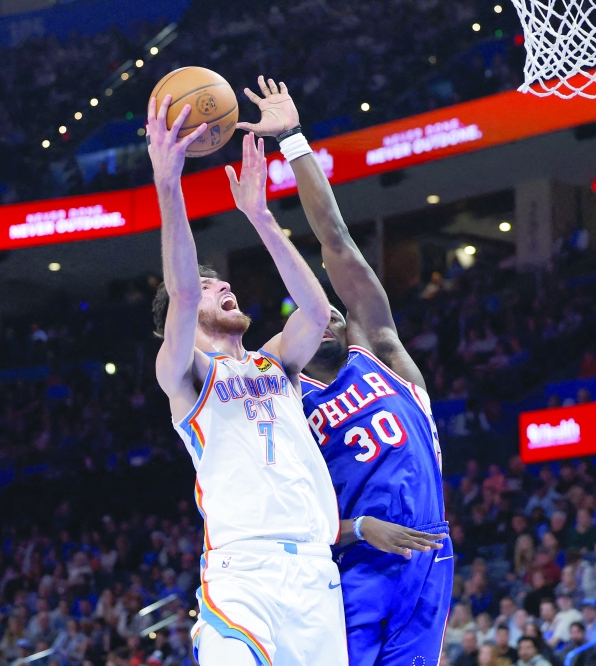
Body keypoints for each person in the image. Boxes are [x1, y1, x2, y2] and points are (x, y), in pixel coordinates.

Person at [237, 76, 451, 666]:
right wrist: (360, 529)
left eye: (334, 311)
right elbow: (290, 521)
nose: (329, 316)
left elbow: (335, 238)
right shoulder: (284, 400)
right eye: (315, 315)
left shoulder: (381, 352)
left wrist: (295, 142)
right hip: (349, 567)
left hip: (429, 560)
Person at [149, 95, 350, 666]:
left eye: (220, 284)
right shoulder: (184, 376)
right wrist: (169, 184)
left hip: (315, 574)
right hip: (244, 576)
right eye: (211, 288)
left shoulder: (273, 364)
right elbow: (183, 290)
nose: (219, 288)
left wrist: (261, 216)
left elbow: (317, 313)